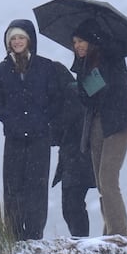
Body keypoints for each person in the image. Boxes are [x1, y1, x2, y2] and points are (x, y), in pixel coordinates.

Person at [71, 18, 127, 236]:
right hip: (96, 122)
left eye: (81, 41)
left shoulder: (112, 56)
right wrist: (83, 75)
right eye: (75, 42)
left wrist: (95, 78)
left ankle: (118, 232)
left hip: (118, 121)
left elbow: (113, 86)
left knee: (108, 178)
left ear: (92, 41)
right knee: (102, 183)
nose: (77, 46)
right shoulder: (83, 66)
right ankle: (109, 230)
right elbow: (86, 98)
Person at [0, 20, 61, 240]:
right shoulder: (4, 68)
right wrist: (9, 121)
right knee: (13, 187)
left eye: (21, 37)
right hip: (13, 138)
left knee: (37, 187)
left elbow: (55, 99)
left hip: (39, 137)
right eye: (13, 38)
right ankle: (13, 235)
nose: (17, 42)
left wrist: (43, 121)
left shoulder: (45, 66)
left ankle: (34, 234)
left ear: (29, 40)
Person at [50, 59, 96, 237]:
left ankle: (81, 240)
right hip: (78, 157)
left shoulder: (69, 95)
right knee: (73, 204)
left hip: (76, 158)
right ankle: (81, 239)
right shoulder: (74, 92)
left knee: (72, 204)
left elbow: (63, 127)